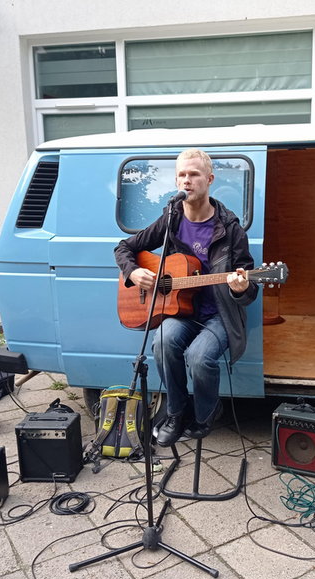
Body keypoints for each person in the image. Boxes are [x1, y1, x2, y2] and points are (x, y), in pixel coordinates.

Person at [115, 148, 258, 446]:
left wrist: (241, 288)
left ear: (209, 179)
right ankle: (176, 413)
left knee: (199, 357)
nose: (187, 180)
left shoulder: (230, 229)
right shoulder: (171, 218)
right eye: (182, 174)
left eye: (194, 174)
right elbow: (124, 247)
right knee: (163, 343)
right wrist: (133, 273)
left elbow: (249, 289)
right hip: (182, 311)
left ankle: (206, 414)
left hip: (218, 313)